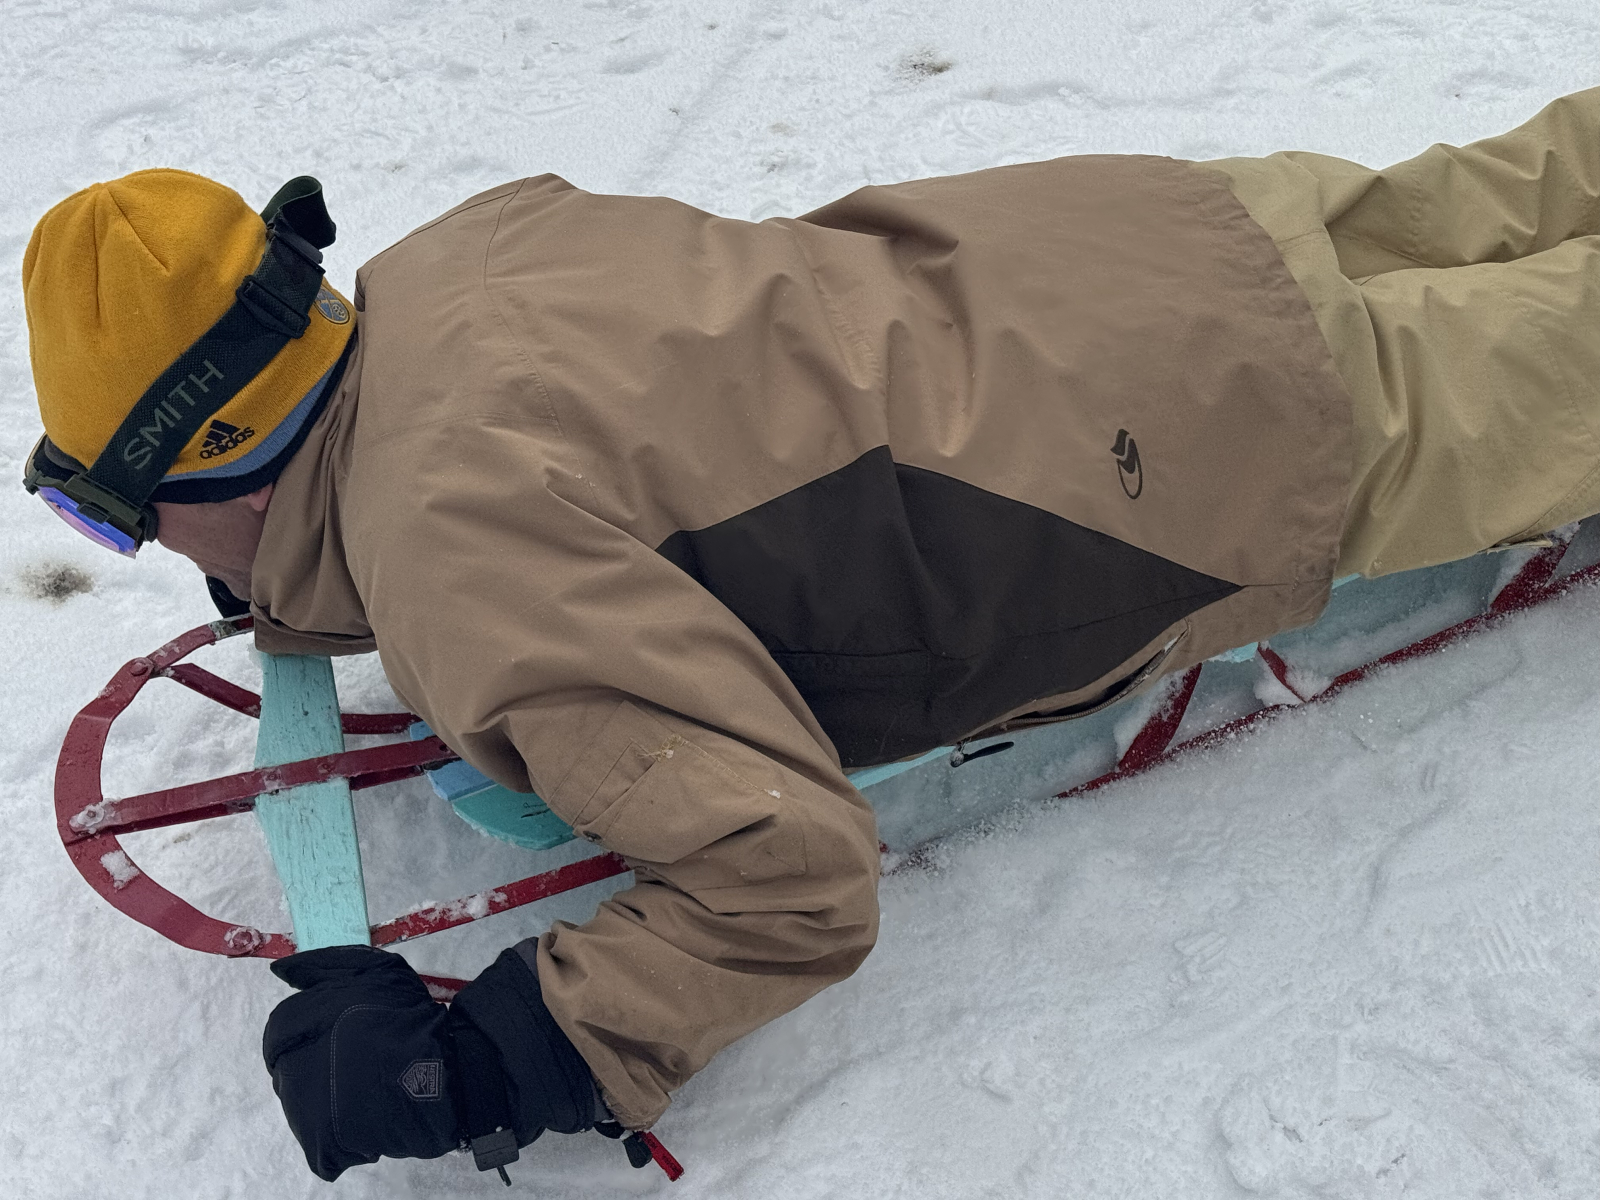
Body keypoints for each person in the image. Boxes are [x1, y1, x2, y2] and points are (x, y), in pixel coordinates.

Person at [20, 87, 1600, 1183]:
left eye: (117, 516)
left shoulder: (463, 565)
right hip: (1139, 244)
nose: (144, 551)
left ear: (213, 462)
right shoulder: (453, 263)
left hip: (1188, 439)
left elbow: (786, 870)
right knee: (1526, 184)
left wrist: (498, 1059)